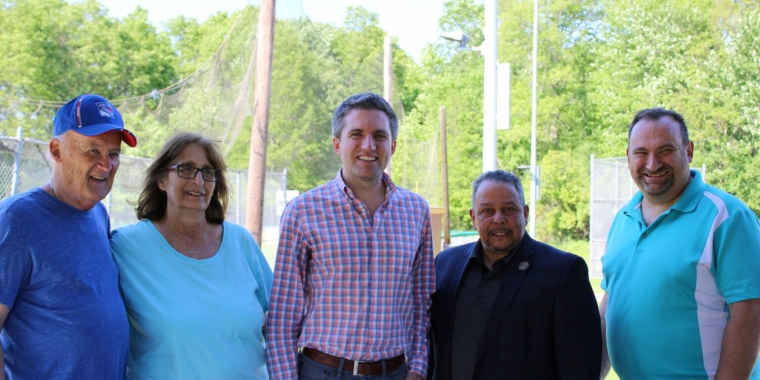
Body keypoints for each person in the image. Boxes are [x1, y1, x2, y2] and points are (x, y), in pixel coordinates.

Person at [266, 92, 435, 380]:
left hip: (395, 372)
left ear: (392, 146)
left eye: (379, 136)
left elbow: (422, 303)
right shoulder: (303, 212)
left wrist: (418, 369)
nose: (368, 145)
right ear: (337, 144)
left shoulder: (416, 211)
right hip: (323, 372)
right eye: (356, 134)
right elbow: (283, 317)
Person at [600, 108, 760, 379]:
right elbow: (610, 303)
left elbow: (750, 314)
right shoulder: (624, 218)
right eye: (641, 153)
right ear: (628, 157)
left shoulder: (727, 216)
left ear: (688, 151)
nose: (652, 164)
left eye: (665, 150)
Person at [109, 132, 272, 379]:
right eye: (186, 169)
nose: (199, 181)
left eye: (208, 172)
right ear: (162, 179)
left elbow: (282, 321)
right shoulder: (126, 247)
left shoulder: (241, 242)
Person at [0, 94, 137, 379]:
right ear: (57, 151)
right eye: (92, 151)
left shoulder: (98, 215)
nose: (106, 165)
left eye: (113, 154)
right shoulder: (15, 221)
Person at [429, 170, 601, 380]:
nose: (498, 219)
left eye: (509, 209)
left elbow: (580, 367)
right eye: (487, 211)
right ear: (473, 218)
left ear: (525, 213)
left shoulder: (563, 272)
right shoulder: (445, 264)